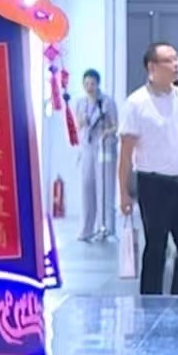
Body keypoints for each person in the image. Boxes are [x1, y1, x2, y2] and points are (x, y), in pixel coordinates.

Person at [118, 41, 178, 295]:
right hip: (153, 185)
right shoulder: (136, 103)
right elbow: (125, 154)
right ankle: (151, 303)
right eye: (169, 60)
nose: (177, 64)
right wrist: (123, 193)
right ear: (152, 67)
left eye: (177, 58)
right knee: (156, 248)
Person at [77, 68, 119, 243]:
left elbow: (116, 125)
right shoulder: (81, 103)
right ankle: (87, 229)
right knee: (87, 187)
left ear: (98, 84)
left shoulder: (107, 102)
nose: (89, 87)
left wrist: (107, 133)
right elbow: (78, 125)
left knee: (105, 188)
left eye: (92, 84)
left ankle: (106, 228)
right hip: (88, 148)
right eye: (86, 84)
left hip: (104, 148)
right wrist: (83, 119)